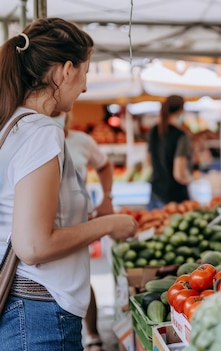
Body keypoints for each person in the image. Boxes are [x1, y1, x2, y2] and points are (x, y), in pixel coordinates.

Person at [0, 17, 138, 350]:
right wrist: (108, 224)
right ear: (65, 71)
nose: (86, 86)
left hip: (28, 312)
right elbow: (33, 246)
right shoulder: (41, 132)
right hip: (40, 317)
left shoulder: (14, 126)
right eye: (85, 73)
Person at [53, 112, 113, 351]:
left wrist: (107, 198)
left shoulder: (81, 141)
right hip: (47, 224)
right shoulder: (37, 138)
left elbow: (104, 165)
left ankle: (92, 334)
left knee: (80, 277)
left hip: (78, 221)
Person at [147, 95, 194, 209]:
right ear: (181, 110)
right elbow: (179, 174)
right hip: (175, 198)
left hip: (155, 193)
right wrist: (192, 180)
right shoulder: (181, 136)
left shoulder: (153, 131)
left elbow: (148, 162)